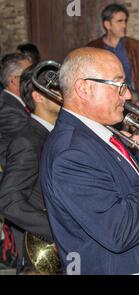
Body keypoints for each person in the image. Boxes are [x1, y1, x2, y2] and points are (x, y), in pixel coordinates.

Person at [40, 47, 139, 275]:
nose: (127, 95)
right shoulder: (70, 153)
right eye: (118, 85)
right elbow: (119, 231)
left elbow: (122, 191)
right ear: (84, 88)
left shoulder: (98, 132)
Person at [0, 66, 60, 274]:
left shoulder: (51, 133)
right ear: (38, 97)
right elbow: (9, 201)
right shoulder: (28, 140)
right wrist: (58, 230)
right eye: (56, 89)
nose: (63, 93)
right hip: (42, 251)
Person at [88, 3, 139, 108]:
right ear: (107, 25)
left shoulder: (136, 47)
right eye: (120, 21)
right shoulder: (92, 47)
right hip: (103, 104)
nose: (124, 25)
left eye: (125, 21)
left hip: (130, 103)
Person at [0, 53, 32, 173]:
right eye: (29, 75)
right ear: (14, 81)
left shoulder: (15, 103)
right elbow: (31, 144)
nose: (34, 79)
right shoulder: (7, 109)